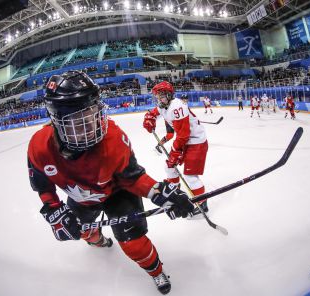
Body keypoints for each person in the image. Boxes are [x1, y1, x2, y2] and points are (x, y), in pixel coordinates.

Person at [27, 71, 194, 295]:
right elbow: (43, 186)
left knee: (133, 242)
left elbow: (133, 178)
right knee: (85, 233)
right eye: (79, 121)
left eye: (94, 113)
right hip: (81, 197)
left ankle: (156, 271)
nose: (92, 124)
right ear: (56, 121)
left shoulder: (113, 137)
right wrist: (54, 210)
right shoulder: (39, 147)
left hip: (117, 192)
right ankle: (98, 241)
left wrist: (158, 192)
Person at [143, 81, 209, 216]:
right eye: (157, 96)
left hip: (196, 142)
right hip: (186, 141)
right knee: (169, 167)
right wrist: (149, 118)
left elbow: (183, 135)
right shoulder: (163, 105)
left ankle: (203, 204)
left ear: (168, 94)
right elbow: (153, 113)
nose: (158, 99)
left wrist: (175, 152)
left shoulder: (177, 107)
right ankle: (175, 193)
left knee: (190, 176)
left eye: (161, 95)